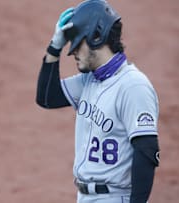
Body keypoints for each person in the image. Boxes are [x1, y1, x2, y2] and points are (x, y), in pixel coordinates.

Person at [36, 1, 160, 202]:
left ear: (96, 37)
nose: (73, 52)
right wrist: (54, 48)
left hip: (115, 196)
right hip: (85, 197)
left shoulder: (133, 86)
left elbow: (146, 151)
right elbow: (47, 98)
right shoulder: (90, 81)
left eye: (77, 45)